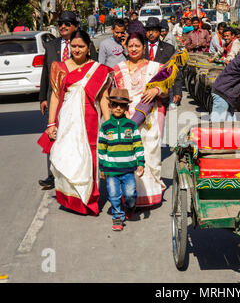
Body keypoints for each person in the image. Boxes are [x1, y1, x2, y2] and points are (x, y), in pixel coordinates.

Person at [40, 30, 114, 215]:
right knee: (68, 156)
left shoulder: (99, 70)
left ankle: (89, 200)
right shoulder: (60, 67)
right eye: (73, 46)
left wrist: (109, 124)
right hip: (67, 121)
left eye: (81, 46)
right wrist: (51, 123)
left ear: (89, 47)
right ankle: (72, 199)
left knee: (87, 160)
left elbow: (104, 99)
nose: (77, 50)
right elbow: (56, 96)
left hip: (90, 122)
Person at [38, 11, 97, 190]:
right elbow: (46, 73)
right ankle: (52, 174)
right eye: (60, 23)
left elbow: (93, 71)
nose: (63, 26)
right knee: (53, 133)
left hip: (78, 99)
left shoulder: (87, 45)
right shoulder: (50, 46)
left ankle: (78, 172)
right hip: (54, 97)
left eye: (67, 23)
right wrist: (42, 97)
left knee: (75, 136)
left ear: (75, 26)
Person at [113, 32, 169, 207]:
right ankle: (129, 197)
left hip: (150, 117)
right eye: (130, 46)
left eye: (137, 45)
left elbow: (167, 90)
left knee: (150, 154)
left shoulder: (157, 67)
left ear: (144, 47)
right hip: (127, 116)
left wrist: (156, 91)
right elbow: (116, 95)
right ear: (126, 48)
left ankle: (150, 195)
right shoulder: (118, 69)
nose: (134, 49)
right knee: (127, 155)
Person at [98, 88, 145, 231]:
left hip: (128, 169)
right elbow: (101, 149)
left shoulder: (131, 126)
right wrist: (102, 167)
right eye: (115, 104)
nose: (118, 108)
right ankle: (117, 216)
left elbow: (138, 145)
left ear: (127, 107)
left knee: (130, 193)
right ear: (110, 106)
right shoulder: (105, 127)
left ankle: (130, 206)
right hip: (111, 170)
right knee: (113, 194)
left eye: (122, 105)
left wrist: (141, 163)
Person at [144, 17, 183, 111]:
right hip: (143, 93)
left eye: (153, 30)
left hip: (162, 94)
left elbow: (175, 70)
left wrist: (177, 91)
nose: (150, 33)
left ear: (159, 31)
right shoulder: (140, 47)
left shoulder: (168, 49)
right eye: (148, 30)